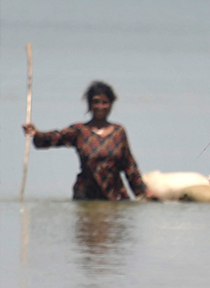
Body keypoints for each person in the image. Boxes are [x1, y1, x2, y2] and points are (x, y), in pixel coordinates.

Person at [22, 81, 156, 201]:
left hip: (114, 196)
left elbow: (129, 166)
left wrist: (144, 192)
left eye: (105, 102)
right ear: (90, 104)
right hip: (85, 197)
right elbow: (53, 138)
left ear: (111, 104)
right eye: (96, 102)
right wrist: (36, 133)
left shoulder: (118, 132)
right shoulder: (80, 131)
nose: (100, 106)